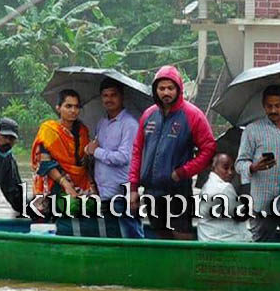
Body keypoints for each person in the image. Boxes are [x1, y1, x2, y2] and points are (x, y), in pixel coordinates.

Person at [128, 65, 216, 240]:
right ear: (155, 90)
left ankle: (186, 268)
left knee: (181, 236)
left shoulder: (193, 115)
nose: (165, 92)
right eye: (161, 88)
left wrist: (183, 172)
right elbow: (137, 151)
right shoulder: (148, 115)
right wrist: (133, 188)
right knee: (160, 235)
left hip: (178, 190)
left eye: (170, 88)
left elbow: (209, 148)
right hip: (152, 190)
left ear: (178, 89)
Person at [235, 85, 280, 242]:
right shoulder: (252, 130)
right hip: (263, 203)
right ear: (263, 105)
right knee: (260, 246)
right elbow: (239, 164)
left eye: (277, 106)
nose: (273, 110)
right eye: (269, 106)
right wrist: (253, 167)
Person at [84, 79, 143, 238]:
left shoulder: (130, 124)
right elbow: (95, 149)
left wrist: (96, 151)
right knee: (113, 237)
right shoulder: (102, 123)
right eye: (105, 95)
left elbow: (124, 157)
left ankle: (140, 262)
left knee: (132, 237)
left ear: (121, 97)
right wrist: (90, 150)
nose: (109, 99)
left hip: (122, 193)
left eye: (113, 95)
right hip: (104, 193)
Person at [31, 89, 93, 210]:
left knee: (93, 205)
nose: (73, 111)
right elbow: (46, 164)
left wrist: (90, 151)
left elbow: (83, 164)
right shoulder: (49, 130)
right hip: (55, 183)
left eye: (76, 107)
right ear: (58, 108)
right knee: (72, 206)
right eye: (68, 106)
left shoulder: (83, 132)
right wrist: (66, 185)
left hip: (80, 181)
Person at [197, 154, 251, 243]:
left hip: (208, 239)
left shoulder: (207, 185)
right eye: (225, 168)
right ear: (214, 168)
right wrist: (246, 182)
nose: (230, 172)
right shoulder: (224, 188)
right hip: (225, 242)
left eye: (232, 168)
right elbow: (241, 216)